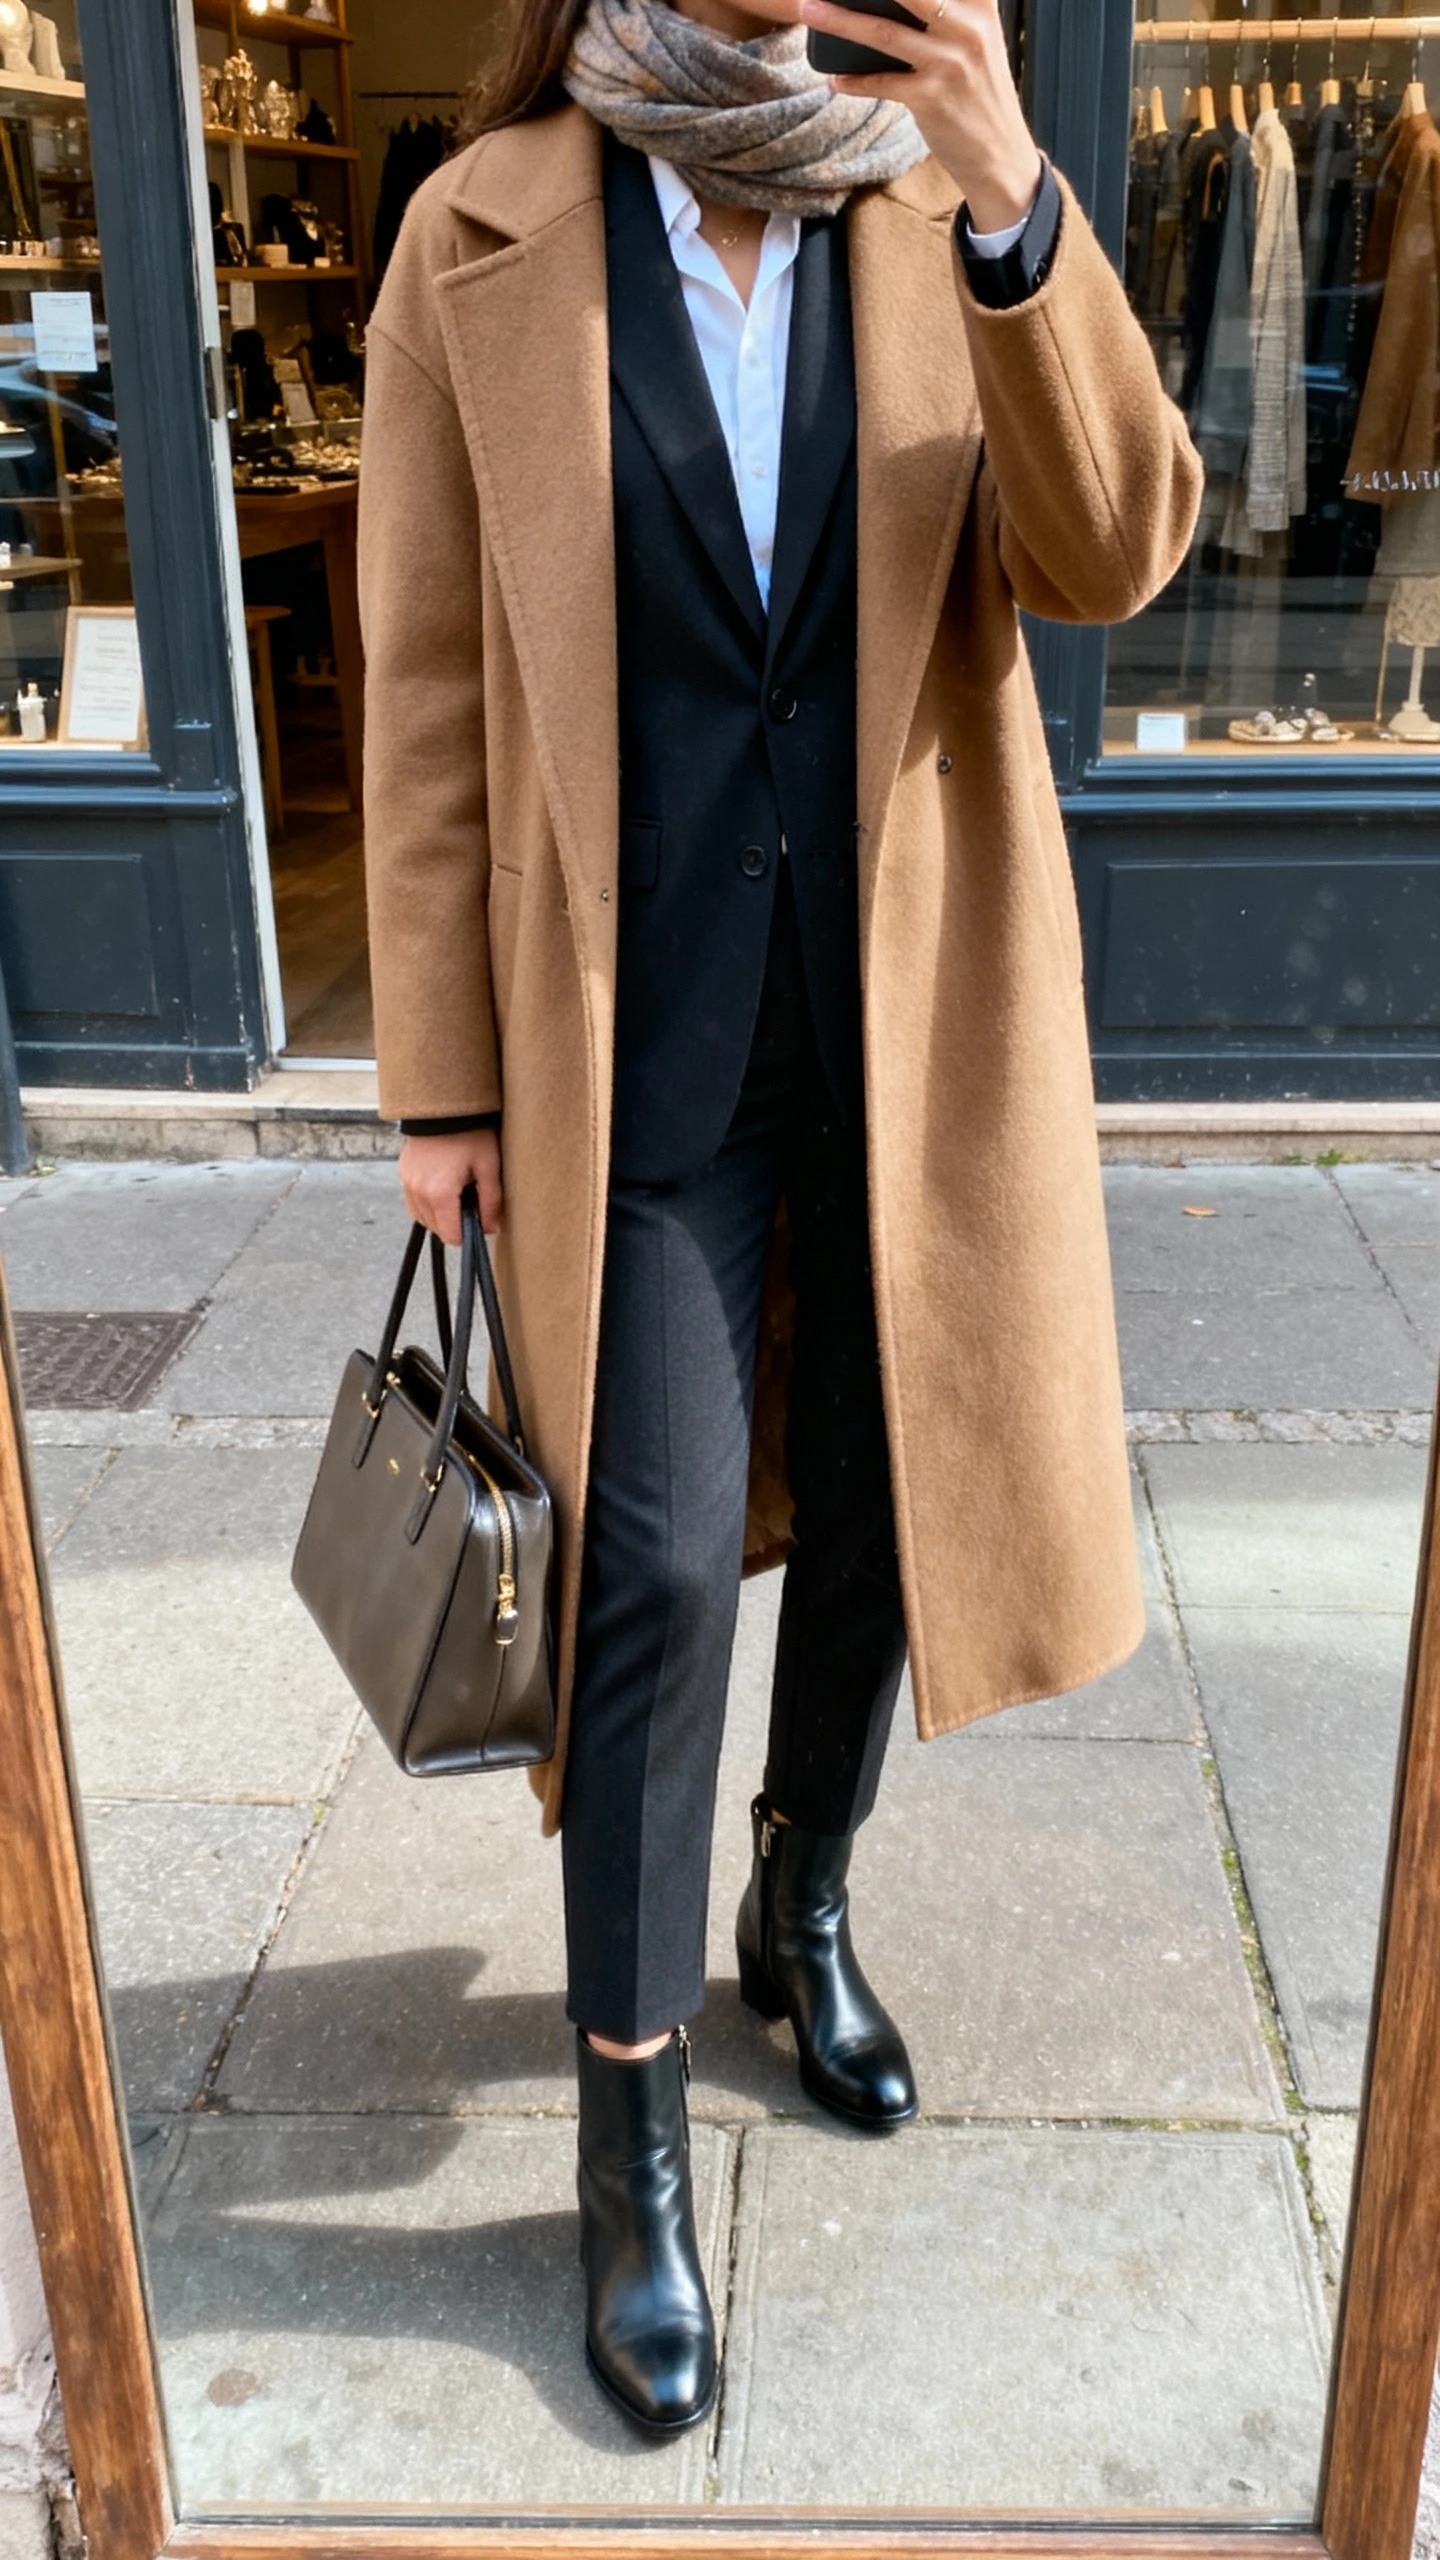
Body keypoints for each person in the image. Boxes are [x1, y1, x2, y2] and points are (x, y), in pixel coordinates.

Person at [359, 0, 1202, 2440]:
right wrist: (440, 1077)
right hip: (634, 1047)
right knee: (637, 1571)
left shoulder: (943, 200)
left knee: (889, 1514)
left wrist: (1017, 182)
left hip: (910, 1028)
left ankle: (796, 1897)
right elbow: (419, 679)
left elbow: (1119, 544)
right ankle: (628, 2134)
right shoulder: (480, 230)